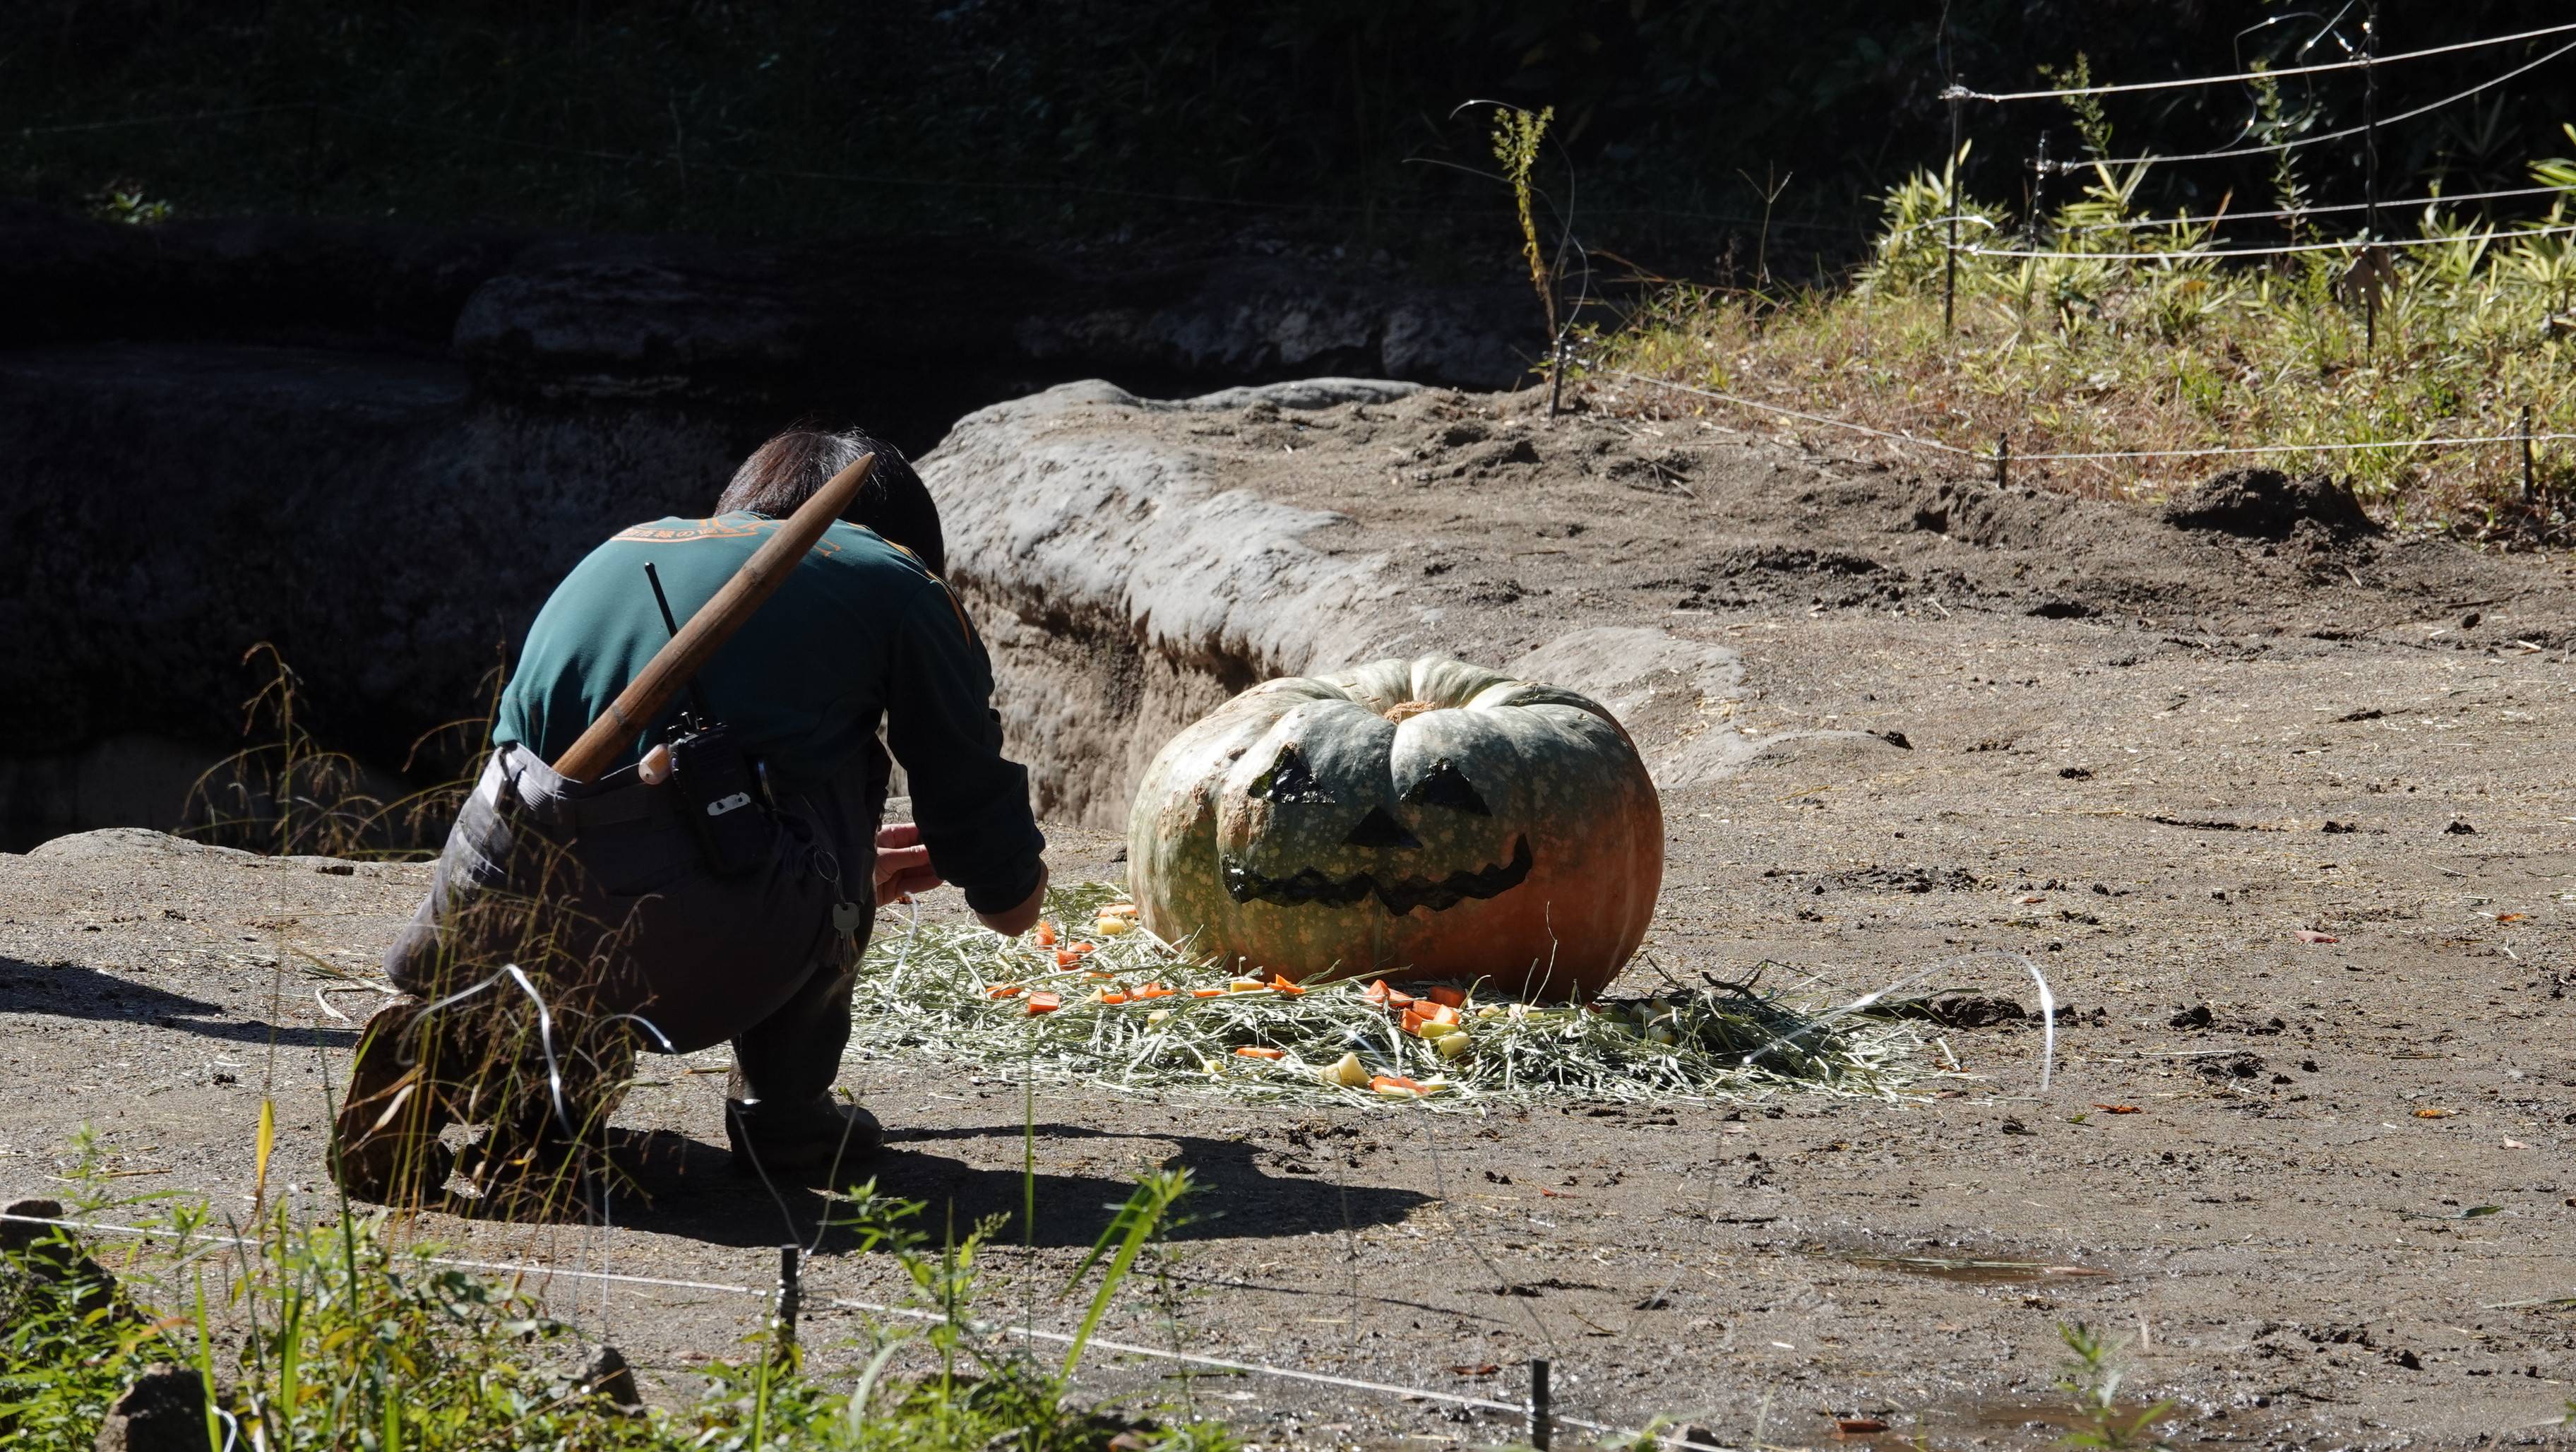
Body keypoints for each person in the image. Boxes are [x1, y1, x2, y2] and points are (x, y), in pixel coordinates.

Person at [333, 427, 1047, 1204]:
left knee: (600, 815)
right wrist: (1001, 887)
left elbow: (550, 786)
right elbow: (979, 826)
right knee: (847, 762)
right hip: (690, 927)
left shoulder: (624, 545)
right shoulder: (897, 578)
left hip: (490, 897)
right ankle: (784, 1114)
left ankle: (525, 1092)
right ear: (908, 535)